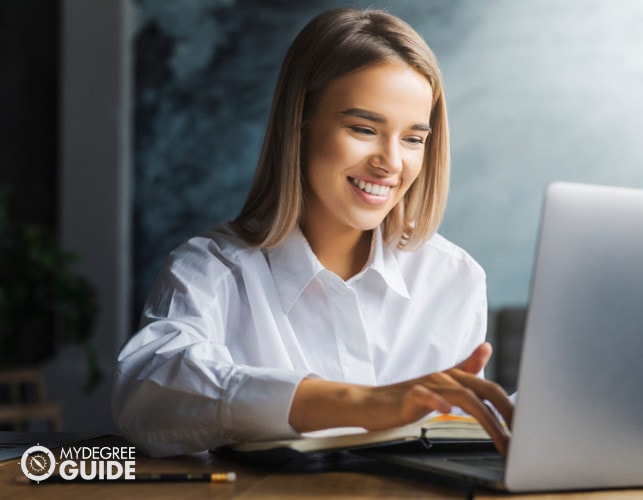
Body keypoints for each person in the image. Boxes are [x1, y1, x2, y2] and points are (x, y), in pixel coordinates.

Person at [112, 7, 513, 458]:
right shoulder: (211, 269)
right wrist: (363, 404)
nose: (392, 163)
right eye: (364, 129)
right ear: (298, 126)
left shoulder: (453, 279)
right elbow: (148, 396)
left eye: (413, 139)